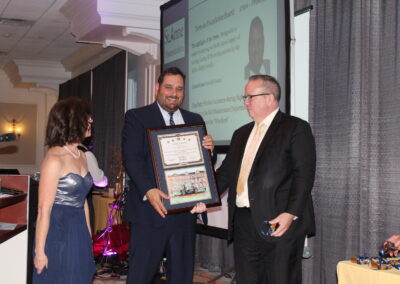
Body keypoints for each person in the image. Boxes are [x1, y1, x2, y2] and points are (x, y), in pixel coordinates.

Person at [216, 75, 316, 284]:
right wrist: (202, 197)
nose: (246, 102)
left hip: (279, 220)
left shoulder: (295, 128)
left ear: (270, 98)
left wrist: (290, 213)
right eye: (245, 97)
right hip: (244, 221)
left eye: (250, 97)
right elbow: (225, 174)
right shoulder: (240, 134)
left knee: (281, 279)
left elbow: (303, 176)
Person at [122, 67, 212, 284]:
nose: (174, 93)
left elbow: (201, 165)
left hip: (184, 215)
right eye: (169, 87)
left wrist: (209, 151)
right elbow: (132, 158)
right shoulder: (137, 117)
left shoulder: (194, 119)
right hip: (149, 213)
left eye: (179, 89)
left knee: (182, 276)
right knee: (140, 276)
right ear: (157, 88)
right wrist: (149, 190)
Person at [33, 98, 95, 283]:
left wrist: (88, 237)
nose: (91, 120)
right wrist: (40, 252)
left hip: (78, 227)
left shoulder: (82, 154)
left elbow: (83, 200)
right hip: (58, 229)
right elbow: (44, 210)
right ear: (72, 121)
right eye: (86, 117)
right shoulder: (54, 159)